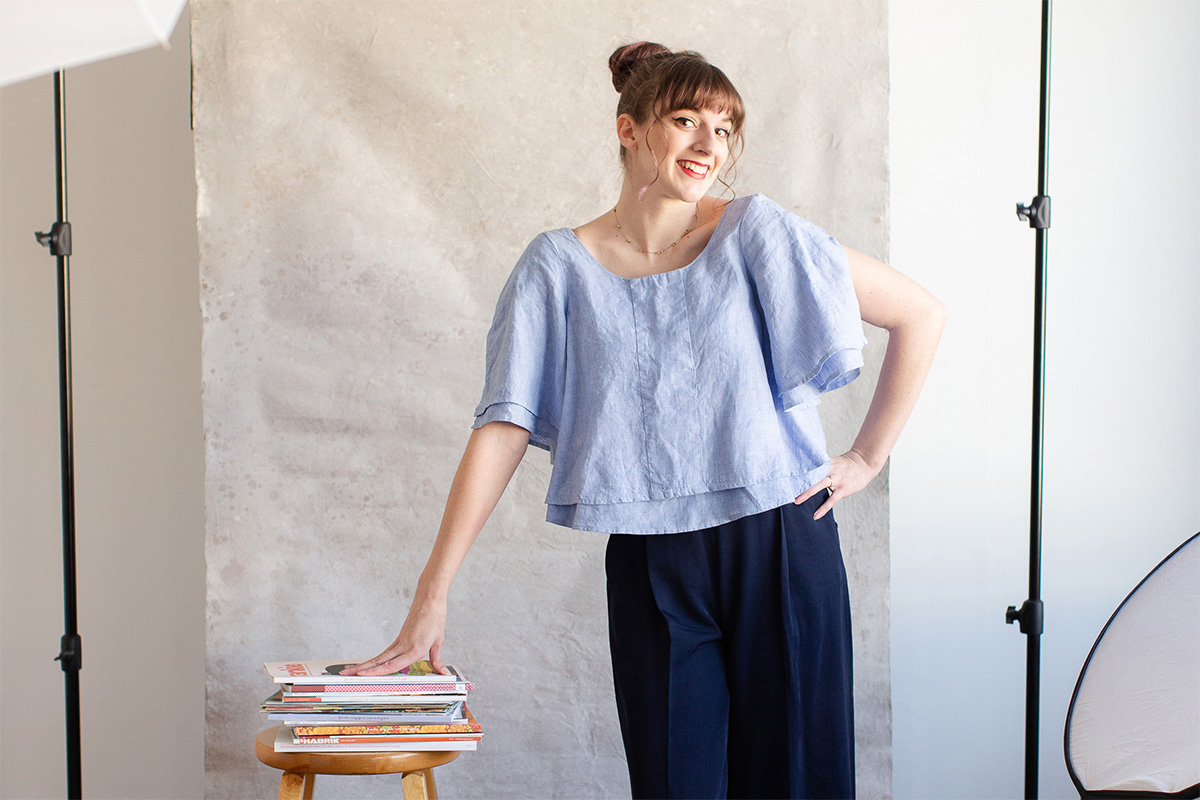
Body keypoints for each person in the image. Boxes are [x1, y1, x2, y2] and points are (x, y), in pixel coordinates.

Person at [343, 41, 946, 799]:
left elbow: (921, 314)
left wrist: (867, 456)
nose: (708, 144)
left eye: (725, 127)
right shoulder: (556, 267)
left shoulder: (758, 233)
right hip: (651, 558)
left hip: (780, 540)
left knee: (797, 781)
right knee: (673, 783)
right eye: (687, 119)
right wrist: (432, 595)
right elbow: (503, 426)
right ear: (629, 129)